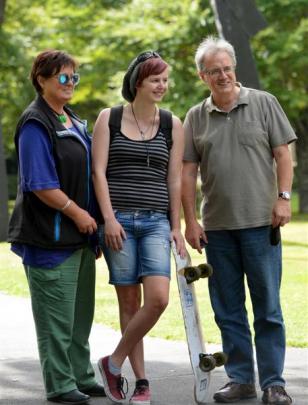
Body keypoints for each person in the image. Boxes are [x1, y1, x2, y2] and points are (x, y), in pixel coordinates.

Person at [182, 37, 297, 405]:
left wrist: (283, 198)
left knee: (267, 307)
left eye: (227, 68)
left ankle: (274, 383)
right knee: (227, 309)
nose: (222, 75)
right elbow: (187, 174)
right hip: (216, 229)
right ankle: (241, 379)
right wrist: (190, 221)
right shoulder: (195, 116)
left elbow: (283, 155)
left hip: (261, 224)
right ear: (203, 76)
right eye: (214, 71)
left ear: (235, 68)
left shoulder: (264, 103)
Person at [7, 50, 105, 405]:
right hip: (50, 238)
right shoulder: (36, 122)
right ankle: (60, 384)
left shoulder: (71, 118)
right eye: (63, 77)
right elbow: (39, 183)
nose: (70, 84)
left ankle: (82, 375)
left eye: (74, 77)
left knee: (80, 319)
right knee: (56, 321)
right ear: (42, 79)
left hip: (80, 239)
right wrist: (77, 212)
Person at [92, 51, 185, 404]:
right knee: (129, 302)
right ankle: (141, 382)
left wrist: (175, 226)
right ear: (138, 83)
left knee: (158, 299)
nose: (162, 86)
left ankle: (112, 363)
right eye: (155, 80)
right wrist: (109, 219)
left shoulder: (171, 124)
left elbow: (173, 178)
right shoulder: (109, 118)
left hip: (155, 221)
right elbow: (98, 172)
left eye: (165, 79)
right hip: (119, 223)